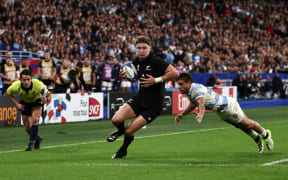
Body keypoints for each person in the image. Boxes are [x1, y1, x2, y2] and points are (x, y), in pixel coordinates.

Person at [107, 35, 179, 159]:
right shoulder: (136, 62)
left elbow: (175, 73)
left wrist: (156, 80)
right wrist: (125, 75)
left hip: (154, 105)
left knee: (130, 131)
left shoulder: (156, 61)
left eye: (144, 48)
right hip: (140, 99)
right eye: (138, 48)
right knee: (116, 120)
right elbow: (133, 77)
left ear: (149, 48)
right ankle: (120, 130)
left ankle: (123, 150)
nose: (141, 50)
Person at [174, 72, 274, 153]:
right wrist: (182, 114)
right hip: (221, 111)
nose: (179, 87)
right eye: (178, 84)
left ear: (188, 83)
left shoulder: (195, 90)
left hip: (228, 106)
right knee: (239, 126)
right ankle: (257, 138)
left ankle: (265, 134)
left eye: (181, 84)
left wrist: (200, 114)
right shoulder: (189, 91)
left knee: (247, 124)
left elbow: (201, 103)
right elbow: (193, 104)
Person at [6, 69, 51, 151]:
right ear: (20, 80)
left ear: (31, 79)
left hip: (36, 102)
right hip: (25, 103)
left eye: (28, 80)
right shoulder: (16, 86)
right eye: (24, 80)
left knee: (35, 120)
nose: (26, 82)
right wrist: (17, 104)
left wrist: (46, 99)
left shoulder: (38, 84)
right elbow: (8, 93)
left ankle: (30, 143)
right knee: (27, 127)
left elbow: (48, 95)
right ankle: (37, 139)